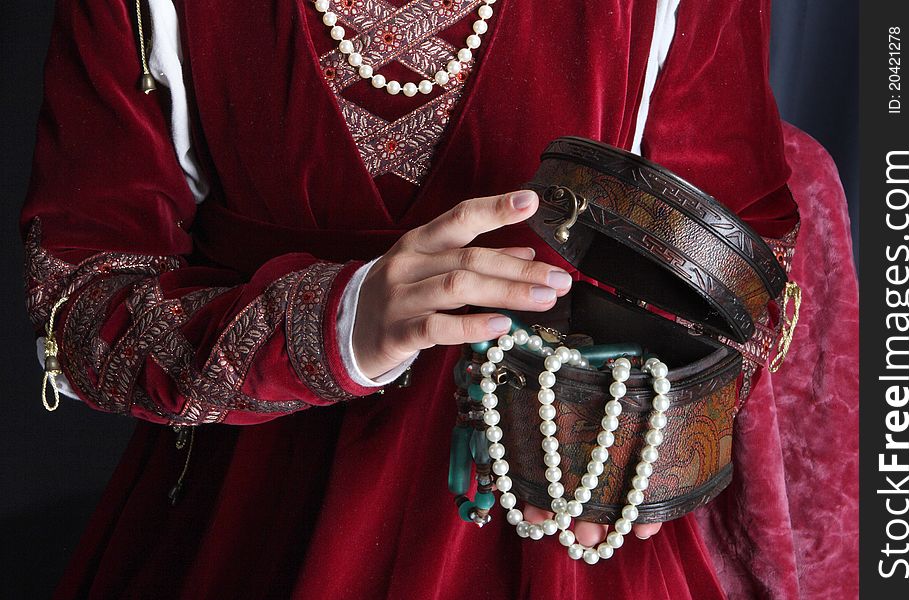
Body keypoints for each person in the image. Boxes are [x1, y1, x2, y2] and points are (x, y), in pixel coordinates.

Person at [19, 0, 832, 598]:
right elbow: (80, 304)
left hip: (559, 516)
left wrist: (658, 442)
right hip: (253, 522)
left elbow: (741, 264)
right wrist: (334, 322)